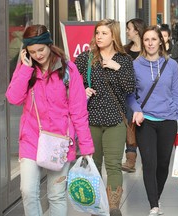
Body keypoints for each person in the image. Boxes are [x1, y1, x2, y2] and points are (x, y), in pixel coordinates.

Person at [5, 24, 94, 216]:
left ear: (49, 45)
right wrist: (25, 70)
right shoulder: (26, 69)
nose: (37, 55)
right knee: (28, 191)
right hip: (31, 139)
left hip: (59, 142)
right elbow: (13, 98)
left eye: (41, 49)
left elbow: (78, 111)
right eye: (32, 51)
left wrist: (86, 147)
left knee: (56, 195)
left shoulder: (68, 70)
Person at [127, 25, 178, 216]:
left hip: (168, 120)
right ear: (143, 42)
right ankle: (153, 204)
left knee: (163, 163)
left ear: (160, 41)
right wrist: (137, 111)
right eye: (146, 40)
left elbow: (176, 94)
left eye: (153, 39)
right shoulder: (135, 65)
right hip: (145, 120)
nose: (150, 43)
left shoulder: (171, 65)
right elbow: (130, 95)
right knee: (149, 163)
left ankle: (156, 196)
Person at [75, 19, 135, 215]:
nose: (99, 37)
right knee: (93, 165)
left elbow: (130, 88)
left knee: (113, 165)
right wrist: (83, 90)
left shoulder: (124, 59)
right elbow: (71, 85)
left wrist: (117, 68)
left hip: (115, 120)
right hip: (90, 119)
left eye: (104, 33)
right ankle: (96, 205)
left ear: (113, 36)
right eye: (97, 33)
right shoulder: (86, 59)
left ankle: (114, 207)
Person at [122, 18, 147, 173]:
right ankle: (131, 158)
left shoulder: (148, 48)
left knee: (144, 126)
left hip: (146, 94)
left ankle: (147, 158)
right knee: (129, 124)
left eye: (129, 28)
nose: (127, 31)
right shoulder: (124, 50)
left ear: (136, 30)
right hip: (129, 93)